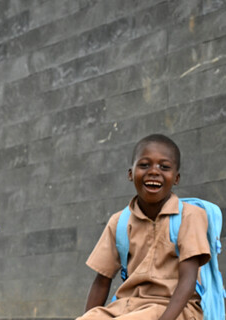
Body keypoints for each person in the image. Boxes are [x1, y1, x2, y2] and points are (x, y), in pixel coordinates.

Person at [78, 134, 210, 320]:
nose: (154, 171)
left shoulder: (190, 216)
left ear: (176, 178)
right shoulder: (119, 222)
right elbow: (102, 281)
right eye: (144, 165)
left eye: (164, 167)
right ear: (130, 174)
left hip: (175, 308)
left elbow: (188, 281)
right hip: (128, 306)